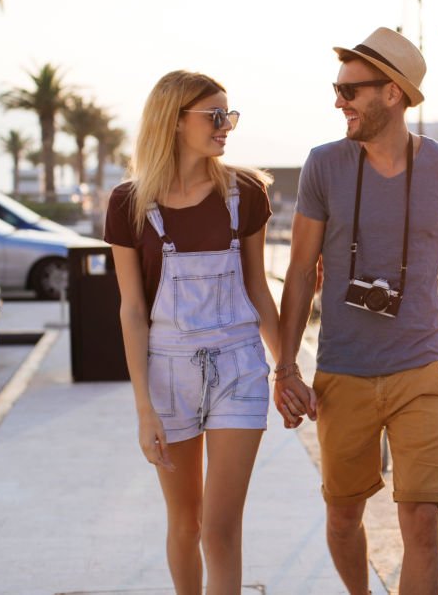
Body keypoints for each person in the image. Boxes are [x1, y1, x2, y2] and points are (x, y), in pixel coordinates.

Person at [274, 27, 438, 595]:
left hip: (423, 368)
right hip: (342, 369)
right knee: (344, 518)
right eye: (337, 89)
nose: (338, 102)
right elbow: (299, 271)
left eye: (350, 91)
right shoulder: (324, 166)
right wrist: (286, 366)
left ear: (392, 93)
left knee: (421, 519)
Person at [105, 71, 279, 595]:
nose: (226, 126)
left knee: (221, 529)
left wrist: (287, 365)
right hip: (168, 373)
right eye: (214, 115)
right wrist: (144, 409)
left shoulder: (244, 192)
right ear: (175, 121)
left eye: (230, 115)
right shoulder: (128, 203)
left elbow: (257, 285)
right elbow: (132, 310)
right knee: (186, 523)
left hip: (240, 367)